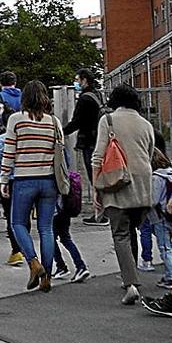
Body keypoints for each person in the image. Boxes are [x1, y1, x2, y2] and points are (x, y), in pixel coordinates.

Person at [91, 84, 155, 305]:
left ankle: (130, 284)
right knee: (132, 231)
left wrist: (96, 187)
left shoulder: (108, 121)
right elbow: (149, 154)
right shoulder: (146, 124)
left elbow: (97, 156)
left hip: (118, 182)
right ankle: (132, 276)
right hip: (144, 185)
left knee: (120, 234)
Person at [0, 80, 61, 293]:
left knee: (17, 223)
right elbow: (60, 153)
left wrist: (4, 179)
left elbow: (9, 152)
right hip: (49, 181)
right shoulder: (53, 122)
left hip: (24, 179)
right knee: (46, 228)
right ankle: (47, 278)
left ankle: (34, 264)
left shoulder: (16, 119)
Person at [63, 68, 110, 227]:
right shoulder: (98, 95)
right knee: (102, 177)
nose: (76, 83)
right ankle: (105, 210)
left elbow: (77, 121)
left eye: (77, 79)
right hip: (101, 139)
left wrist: (61, 132)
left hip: (89, 141)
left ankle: (100, 215)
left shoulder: (84, 99)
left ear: (84, 80)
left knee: (94, 178)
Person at [0, 111, 24, 266]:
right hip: (25, 179)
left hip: (7, 181)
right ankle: (25, 247)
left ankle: (16, 251)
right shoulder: (25, 138)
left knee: (11, 217)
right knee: (24, 216)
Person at [137, 149, 172, 289]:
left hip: (160, 217)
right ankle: (168, 275)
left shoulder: (156, 177)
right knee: (170, 246)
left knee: (164, 248)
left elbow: (152, 200)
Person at [51, 149, 91, 283]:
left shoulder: (52, 173)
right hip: (65, 209)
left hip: (55, 210)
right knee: (65, 238)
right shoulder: (62, 154)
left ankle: (63, 266)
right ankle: (78, 266)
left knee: (50, 238)